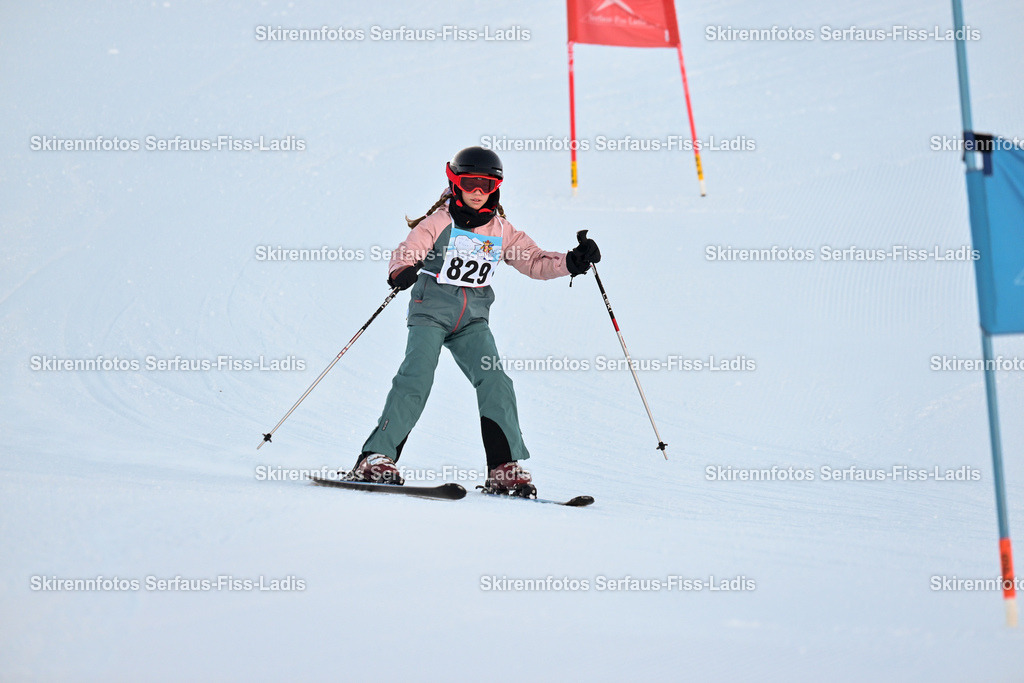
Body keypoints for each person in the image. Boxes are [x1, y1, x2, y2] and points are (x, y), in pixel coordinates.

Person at [348, 146, 601, 497]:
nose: (478, 190)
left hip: (472, 320)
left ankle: (503, 467)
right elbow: (408, 250)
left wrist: (571, 262)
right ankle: (375, 457)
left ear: (495, 187)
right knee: (416, 377)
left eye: (486, 183)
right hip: (431, 313)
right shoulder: (438, 222)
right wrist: (401, 270)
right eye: (470, 182)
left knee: (496, 380)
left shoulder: (501, 230)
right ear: (456, 183)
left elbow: (535, 261)